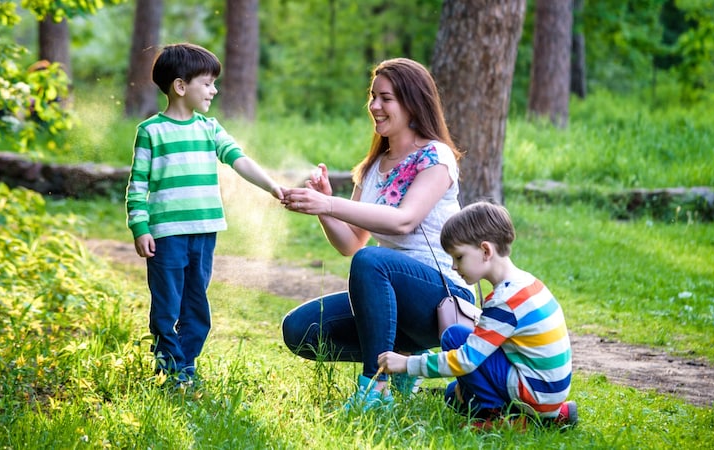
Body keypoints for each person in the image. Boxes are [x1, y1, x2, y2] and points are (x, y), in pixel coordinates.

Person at [280, 58, 476, 411]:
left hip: (442, 297)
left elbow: (404, 220)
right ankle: (404, 360)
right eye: (372, 97)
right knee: (299, 330)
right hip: (390, 295)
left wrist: (329, 203)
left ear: (412, 102)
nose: (374, 106)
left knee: (372, 261)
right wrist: (323, 210)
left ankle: (375, 388)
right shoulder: (372, 167)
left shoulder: (435, 156)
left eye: (385, 98)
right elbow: (352, 242)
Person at [126, 43, 284, 387]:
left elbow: (239, 159)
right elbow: (137, 186)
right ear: (181, 86)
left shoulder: (209, 128)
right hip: (165, 235)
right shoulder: (151, 132)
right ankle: (170, 369)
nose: (214, 89)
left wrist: (272, 186)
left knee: (196, 307)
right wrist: (140, 227)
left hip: (204, 232)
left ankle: (184, 367)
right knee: (167, 307)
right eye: (208, 83)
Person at [378, 201, 577, 429]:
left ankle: (501, 419)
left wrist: (407, 363)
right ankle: (553, 415)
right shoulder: (527, 283)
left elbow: (465, 360)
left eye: (459, 257)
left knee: (453, 337)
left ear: (485, 251)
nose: (453, 266)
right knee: (454, 395)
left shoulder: (504, 301)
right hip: (549, 391)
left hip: (536, 393)